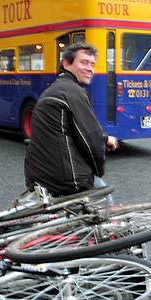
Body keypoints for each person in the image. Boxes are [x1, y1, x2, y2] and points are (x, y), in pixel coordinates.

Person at [25, 42, 118, 197]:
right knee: (105, 196)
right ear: (66, 64)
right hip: (67, 180)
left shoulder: (55, 89)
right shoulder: (73, 92)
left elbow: (67, 131)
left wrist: (105, 138)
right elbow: (91, 140)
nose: (90, 68)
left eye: (92, 64)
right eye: (84, 62)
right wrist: (98, 171)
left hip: (38, 177)